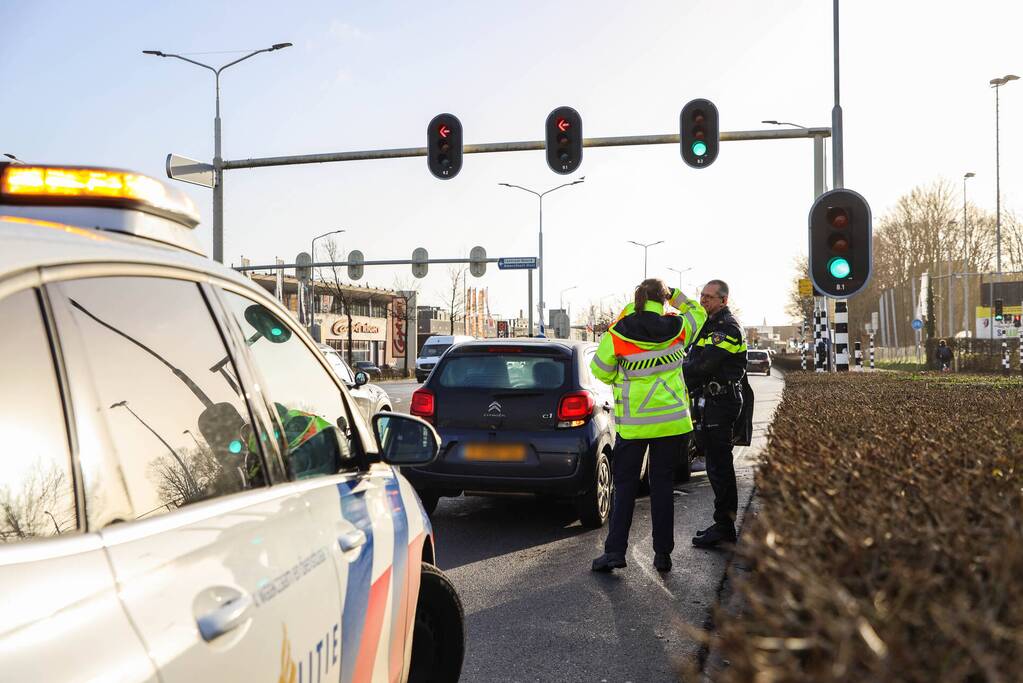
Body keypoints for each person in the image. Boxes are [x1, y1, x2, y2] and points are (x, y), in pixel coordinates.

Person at [589, 279, 707, 573]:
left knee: (625, 487)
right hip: (671, 423)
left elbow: (600, 371)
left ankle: (615, 552)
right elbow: (699, 311)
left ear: (636, 299)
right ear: (663, 299)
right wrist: (675, 296)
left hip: (635, 425)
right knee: (663, 486)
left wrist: (624, 375)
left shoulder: (619, 331)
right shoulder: (679, 328)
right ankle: (663, 555)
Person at [684, 280, 749, 549]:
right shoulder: (708, 325)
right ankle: (723, 523)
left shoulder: (727, 328)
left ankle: (725, 526)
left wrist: (672, 371)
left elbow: (701, 365)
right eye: (702, 295)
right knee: (714, 465)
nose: (703, 300)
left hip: (722, 402)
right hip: (711, 402)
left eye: (709, 297)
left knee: (720, 467)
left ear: (724, 300)